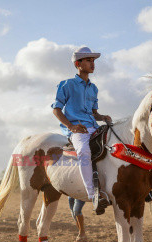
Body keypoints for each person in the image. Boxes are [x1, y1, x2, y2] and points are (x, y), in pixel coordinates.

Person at [51, 46, 112, 215]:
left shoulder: (94, 88)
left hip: (94, 127)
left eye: (93, 61)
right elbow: (56, 109)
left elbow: (94, 113)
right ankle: (93, 195)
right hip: (78, 130)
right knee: (84, 152)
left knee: (116, 147)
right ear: (78, 64)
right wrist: (71, 127)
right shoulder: (67, 85)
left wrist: (103, 117)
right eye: (89, 60)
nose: (93, 64)